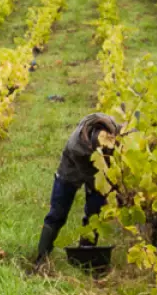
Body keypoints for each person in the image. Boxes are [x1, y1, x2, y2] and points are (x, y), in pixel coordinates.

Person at [34, 111, 122, 264]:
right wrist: (107, 189)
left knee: (95, 214)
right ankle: (42, 257)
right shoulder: (77, 146)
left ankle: (85, 255)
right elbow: (90, 177)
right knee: (58, 213)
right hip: (71, 169)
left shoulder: (113, 130)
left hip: (102, 170)